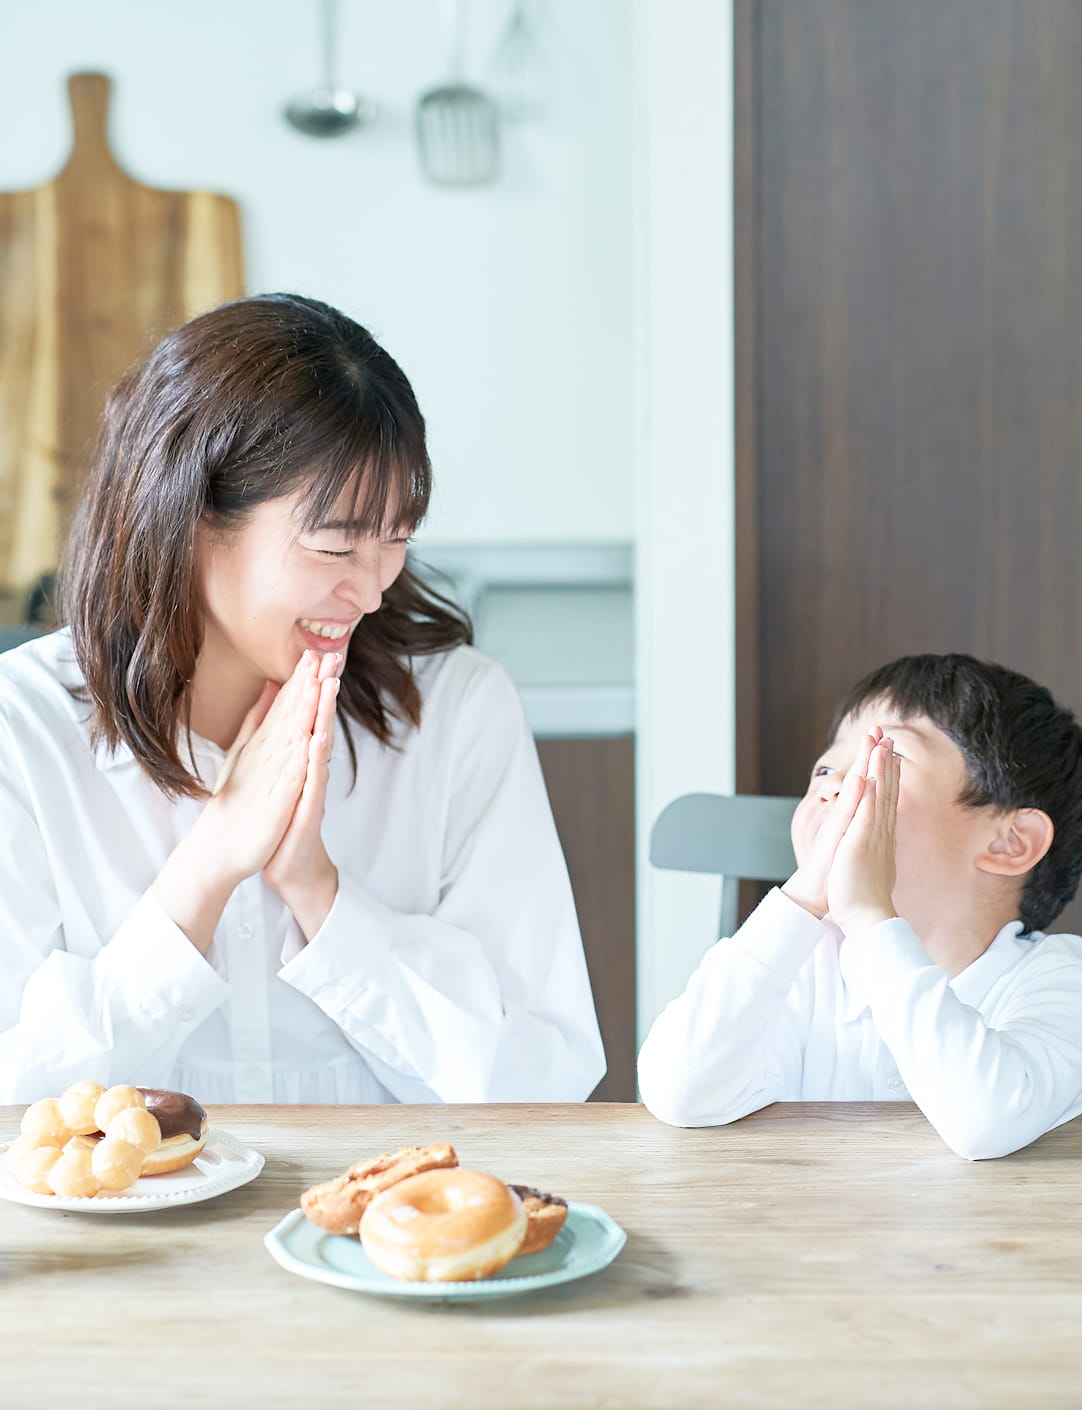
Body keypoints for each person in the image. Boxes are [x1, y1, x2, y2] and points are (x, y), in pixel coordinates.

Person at [0, 293, 605, 1105]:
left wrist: (320, 893)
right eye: (334, 544)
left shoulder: (458, 710)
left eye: (397, 539)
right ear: (191, 519)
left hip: (388, 1228)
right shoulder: (23, 727)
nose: (373, 589)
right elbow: (15, 1097)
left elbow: (547, 1078)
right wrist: (206, 873)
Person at [637, 654, 1082, 1159]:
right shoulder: (802, 969)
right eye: (825, 767)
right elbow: (681, 1093)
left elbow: (986, 1122)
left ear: (1010, 843)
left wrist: (871, 918)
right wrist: (801, 900)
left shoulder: (1062, 981)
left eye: (881, 762)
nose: (833, 786)